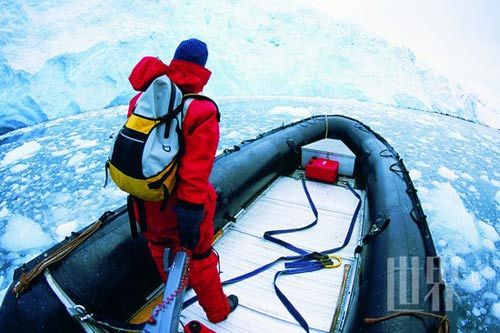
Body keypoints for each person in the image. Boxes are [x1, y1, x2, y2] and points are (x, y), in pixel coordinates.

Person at [127, 38, 238, 323]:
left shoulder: (142, 99)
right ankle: (217, 311)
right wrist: (190, 213)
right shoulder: (201, 111)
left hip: (147, 199)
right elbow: (194, 172)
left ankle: (177, 287)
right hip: (182, 205)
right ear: (201, 69)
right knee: (199, 258)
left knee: (158, 246)